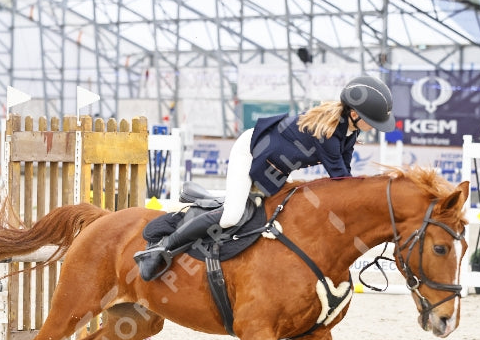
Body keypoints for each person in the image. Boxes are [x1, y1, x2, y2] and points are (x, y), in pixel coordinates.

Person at [135, 75, 395, 281]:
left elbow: (345, 178)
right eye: (372, 120)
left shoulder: (347, 131)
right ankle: (161, 249)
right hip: (250, 151)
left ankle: (207, 197)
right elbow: (340, 180)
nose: (375, 126)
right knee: (232, 216)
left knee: (260, 207)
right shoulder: (328, 132)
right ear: (354, 114)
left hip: (275, 166)